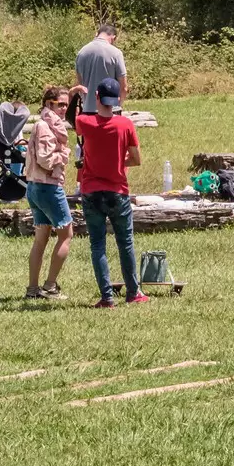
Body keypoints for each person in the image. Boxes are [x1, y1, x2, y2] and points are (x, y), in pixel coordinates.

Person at [75, 76, 148, 308]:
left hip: (91, 191)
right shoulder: (125, 124)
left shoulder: (84, 122)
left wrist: (75, 92)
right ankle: (133, 292)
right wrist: (119, 161)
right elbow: (137, 159)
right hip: (118, 190)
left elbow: (71, 116)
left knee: (98, 245)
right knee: (125, 243)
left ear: (97, 97)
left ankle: (107, 297)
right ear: (117, 100)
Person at [24, 84, 75, 300]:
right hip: (47, 187)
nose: (64, 108)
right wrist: (62, 155)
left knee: (41, 238)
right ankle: (50, 285)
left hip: (34, 187)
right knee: (66, 235)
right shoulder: (45, 126)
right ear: (48, 104)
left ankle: (33, 289)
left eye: (66, 105)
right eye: (60, 104)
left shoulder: (47, 124)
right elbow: (45, 159)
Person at [74, 22, 126, 114]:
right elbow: (123, 86)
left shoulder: (81, 53)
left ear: (96, 34)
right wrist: (119, 105)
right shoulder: (116, 53)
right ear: (113, 38)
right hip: (110, 110)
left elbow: (79, 84)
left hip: (88, 109)